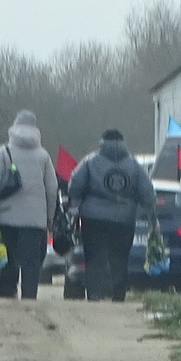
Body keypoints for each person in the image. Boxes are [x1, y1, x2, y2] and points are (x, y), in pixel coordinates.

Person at [67, 128, 155, 301]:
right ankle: (118, 296)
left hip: (93, 219)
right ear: (123, 142)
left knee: (94, 257)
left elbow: (74, 186)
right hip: (124, 220)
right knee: (120, 258)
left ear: (102, 142)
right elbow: (148, 194)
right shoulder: (134, 165)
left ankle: (94, 295)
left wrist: (78, 202)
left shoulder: (90, 161)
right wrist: (151, 216)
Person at [0, 109, 58, 301]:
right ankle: (29, 297)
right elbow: (52, 188)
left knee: (7, 261)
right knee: (31, 263)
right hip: (34, 221)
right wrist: (50, 217)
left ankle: (7, 296)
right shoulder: (43, 156)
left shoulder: (3, 152)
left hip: (6, 217)